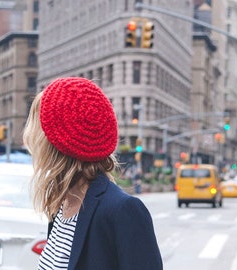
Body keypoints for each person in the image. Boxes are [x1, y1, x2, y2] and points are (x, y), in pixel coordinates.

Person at [23, 77, 163, 270]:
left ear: (56, 141)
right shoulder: (61, 205)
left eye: (38, 127)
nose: (29, 137)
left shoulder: (123, 210)